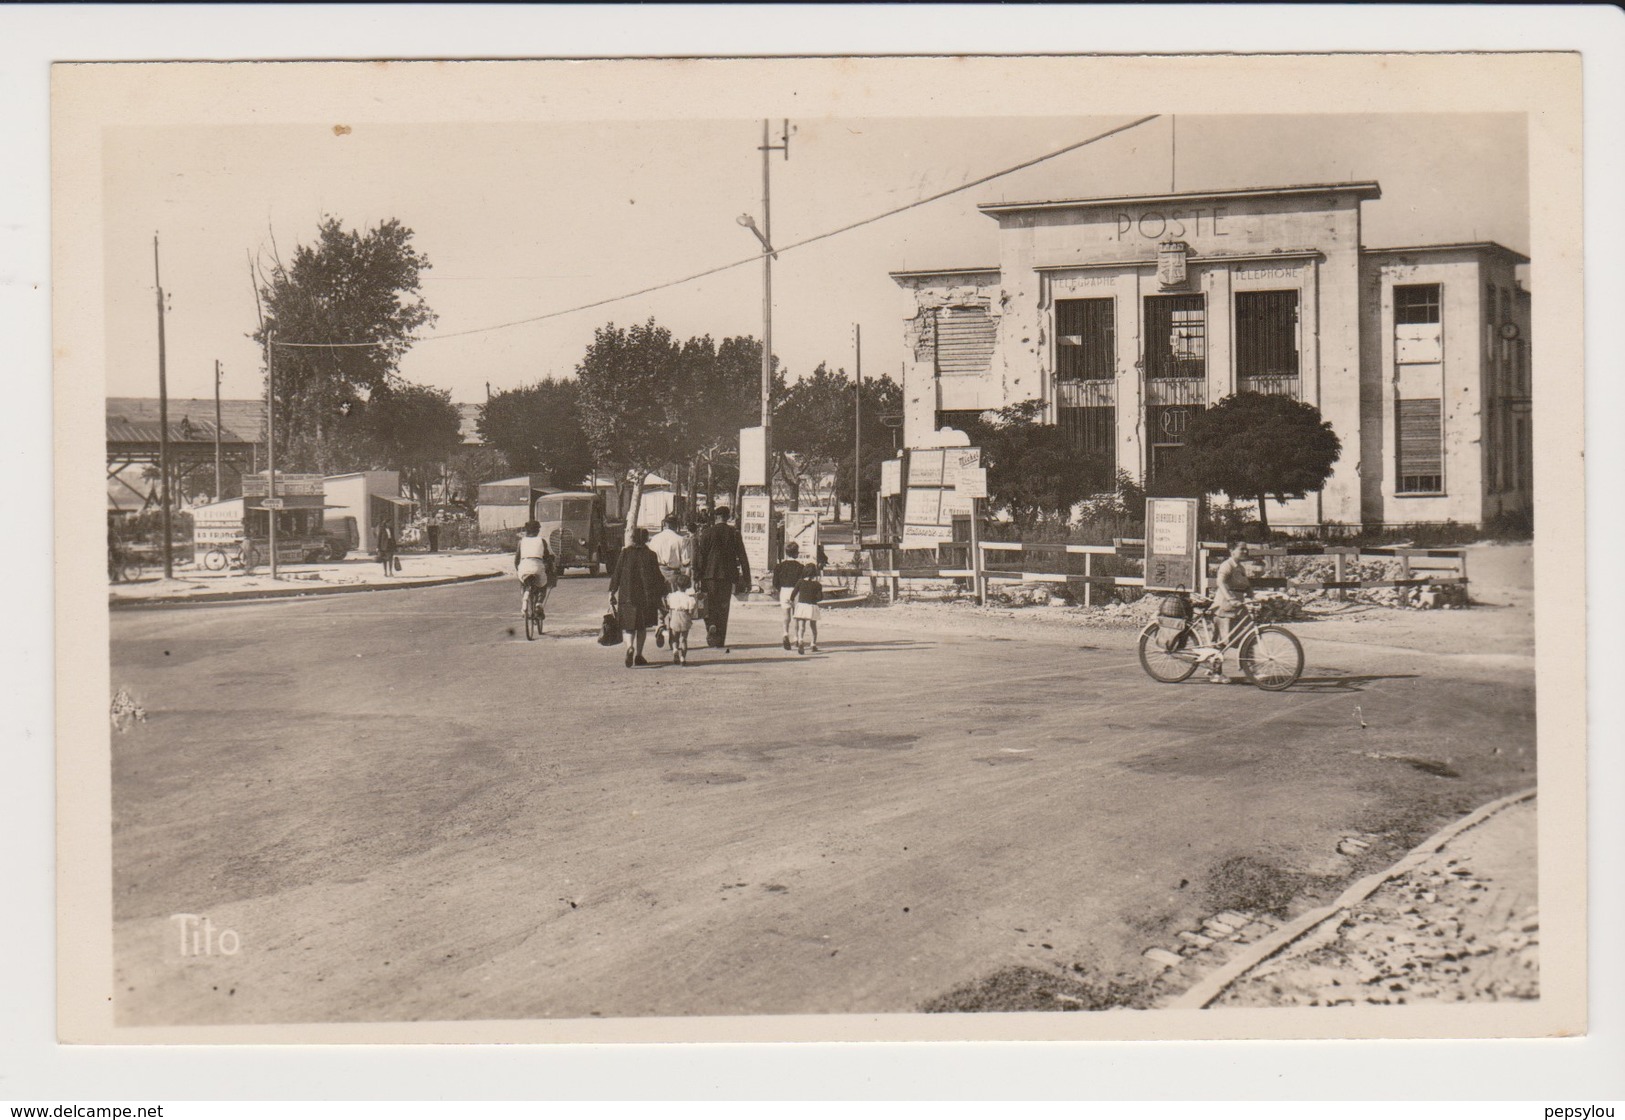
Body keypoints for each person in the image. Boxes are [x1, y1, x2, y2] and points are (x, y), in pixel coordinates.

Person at [692, 505, 751, 653]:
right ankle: (720, 640)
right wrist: (747, 579)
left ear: (715, 517)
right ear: (728, 517)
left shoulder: (706, 533)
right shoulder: (734, 533)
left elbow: (699, 557)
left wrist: (696, 576)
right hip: (727, 577)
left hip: (708, 576)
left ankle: (710, 625)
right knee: (723, 607)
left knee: (708, 605)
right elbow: (743, 557)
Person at [608, 526, 666, 668]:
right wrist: (663, 593)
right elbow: (658, 576)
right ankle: (639, 655)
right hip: (646, 597)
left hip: (627, 596)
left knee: (628, 627)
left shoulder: (625, 553)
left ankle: (629, 647)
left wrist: (612, 591)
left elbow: (617, 573)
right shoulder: (651, 555)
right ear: (646, 539)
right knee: (642, 627)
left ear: (632, 538)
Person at [1207, 541, 1253, 684]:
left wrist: (1255, 597)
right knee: (1222, 641)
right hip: (1225, 606)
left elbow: (1246, 587)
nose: (1245, 552)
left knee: (1249, 636)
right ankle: (1215, 673)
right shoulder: (1227, 565)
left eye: (1246, 549)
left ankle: (1253, 670)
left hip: (1238, 607)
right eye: (1242, 549)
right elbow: (1220, 583)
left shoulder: (1240, 567)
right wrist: (1230, 599)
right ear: (1232, 550)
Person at [648, 514, 692, 649]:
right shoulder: (681, 540)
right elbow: (686, 561)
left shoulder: (655, 539)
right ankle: (673, 634)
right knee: (674, 603)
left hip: (658, 572)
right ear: (675, 525)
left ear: (665, 524)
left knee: (660, 600)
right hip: (673, 573)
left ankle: (660, 623)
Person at [513, 519, 556, 621]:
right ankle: (538, 604)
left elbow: (516, 559)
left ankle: (524, 601)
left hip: (524, 566)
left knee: (523, 583)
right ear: (537, 531)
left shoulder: (521, 542)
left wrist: (518, 569)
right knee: (543, 586)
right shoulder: (541, 541)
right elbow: (547, 557)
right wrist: (551, 567)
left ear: (526, 531)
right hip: (537, 566)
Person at [771, 542, 807, 651]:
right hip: (796, 592)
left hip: (784, 591)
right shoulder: (801, 567)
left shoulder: (779, 566)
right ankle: (796, 638)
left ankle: (785, 633)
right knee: (797, 616)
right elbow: (803, 582)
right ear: (796, 553)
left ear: (786, 553)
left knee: (786, 615)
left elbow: (775, 582)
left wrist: (780, 589)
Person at [662, 572, 699, 666]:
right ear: (688, 586)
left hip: (674, 617)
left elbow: (668, 607)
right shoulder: (690, 599)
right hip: (684, 617)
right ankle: (683, 658)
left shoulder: (671, 596)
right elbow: (691, 611)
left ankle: (675, 650)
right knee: (683, 639)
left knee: (674, 638)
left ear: (676, 584)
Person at [791, 563, 824, 654]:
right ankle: (813, 644)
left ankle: (800, 640)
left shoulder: (800, 582)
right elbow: (820, 597)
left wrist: (791, 600)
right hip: (812, 606)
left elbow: (793, 593)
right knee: (813, 627)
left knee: (802, 626)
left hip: (802, 606)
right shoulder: (817, 584)